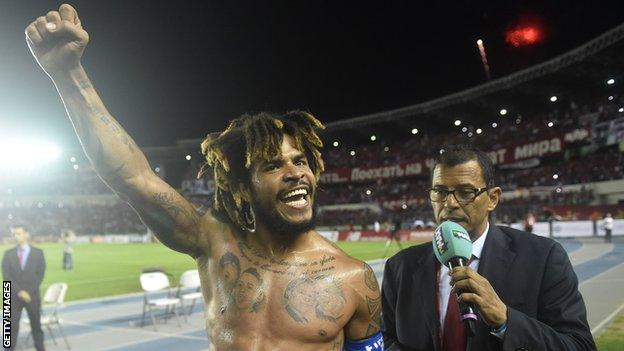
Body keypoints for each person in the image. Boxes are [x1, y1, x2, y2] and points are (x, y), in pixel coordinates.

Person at [26, 5, 382, 350]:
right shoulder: (215, 241)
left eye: (300, 161)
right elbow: (133, 179)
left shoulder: (354, 279)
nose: (295, 173)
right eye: (272, 166)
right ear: (243, 186)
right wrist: (67, 73)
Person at [381, 145, 595, 350]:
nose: (450, 203)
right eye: (440, 191)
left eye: (465, 192)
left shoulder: (543, 258)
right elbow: (387, 339)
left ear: (493, 198)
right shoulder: (400, 267)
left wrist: (505, 319)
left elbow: (579, 345)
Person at [2, 226, 47, 351]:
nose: (16, 236)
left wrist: (29, 291)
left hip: (32, 295)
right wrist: (20, 291)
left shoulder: (38, 253)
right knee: (9, 327)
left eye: (19, 233)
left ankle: (40, 348)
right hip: (12, 296)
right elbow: (6, 276)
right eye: (15, 234)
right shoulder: (8, 254)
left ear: (26, 234)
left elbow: (40, 275)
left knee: (36, 326)